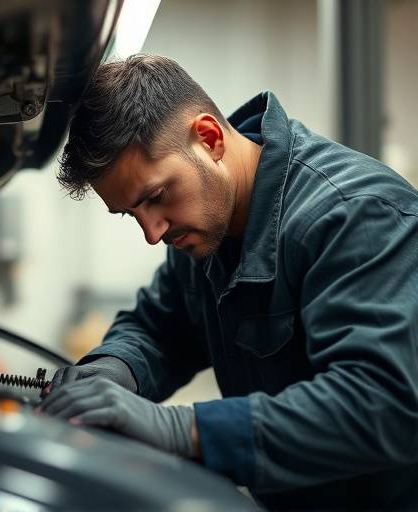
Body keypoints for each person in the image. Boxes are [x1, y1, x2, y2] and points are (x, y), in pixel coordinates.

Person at [39, 54, 418, 510]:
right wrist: (116, 370)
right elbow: (161, 326)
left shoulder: (354, 215)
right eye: (131, 215)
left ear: (209, 138)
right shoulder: (204, 231)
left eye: (157, 197)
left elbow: (382, 403)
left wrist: (186, 430)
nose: (152, 232)